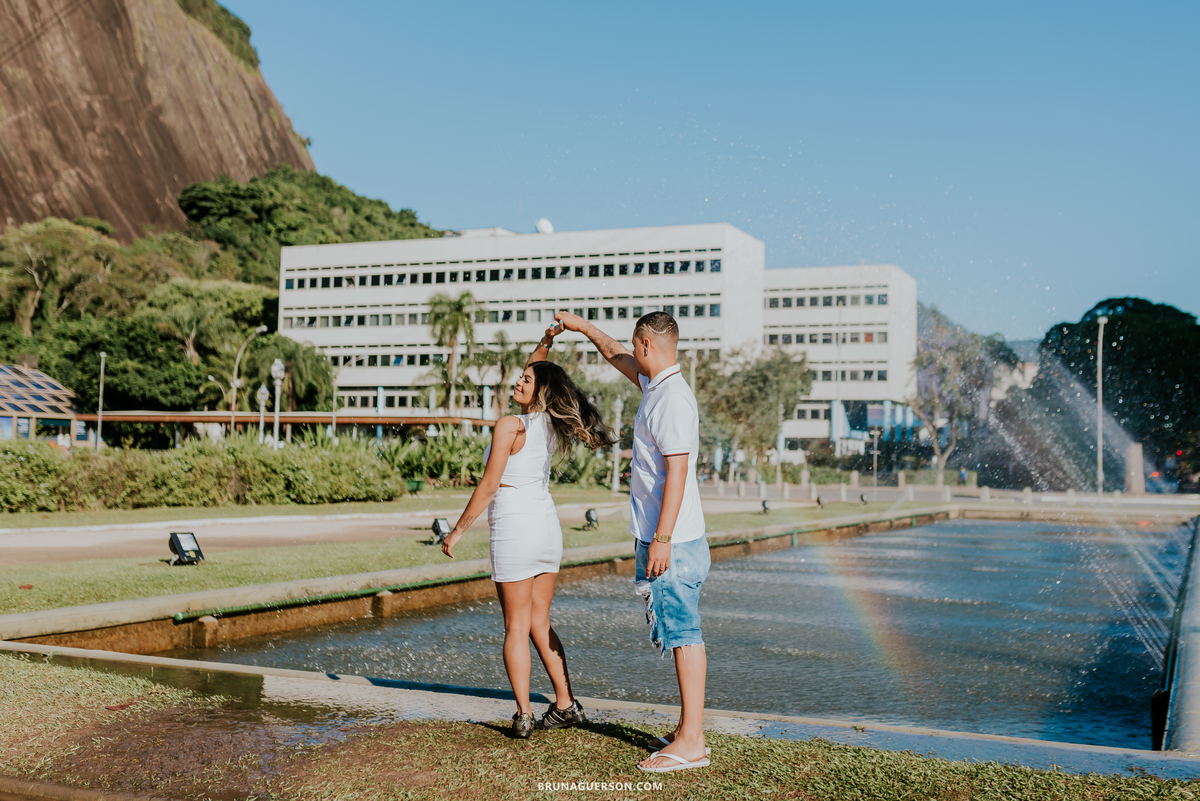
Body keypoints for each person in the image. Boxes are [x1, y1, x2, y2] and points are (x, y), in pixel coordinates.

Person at [555, 309, 712, 774]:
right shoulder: (658, 386)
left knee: (685, 636)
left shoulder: (672, 401)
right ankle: (690, 733)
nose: (631, 351)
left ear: (647, 342)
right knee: (679, 632)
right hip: (666, 539)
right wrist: (583, 328)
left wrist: (661, 539)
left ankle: (691, 744)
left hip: (675, 543)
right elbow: (618, 355)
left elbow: (678, 473)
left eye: (634, 344)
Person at [440, 324, 615, 739]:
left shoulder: (509, 426)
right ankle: (566, 703)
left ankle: (523, 715)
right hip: (547, 531)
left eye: (525, 379)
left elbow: (488, 486)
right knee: (540, 623)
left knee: (516, 627)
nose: (519, 379)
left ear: (538, 392)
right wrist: (549, 338)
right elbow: (540, 368)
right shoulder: (549, 425)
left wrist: (457, 532)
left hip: (516, 531)